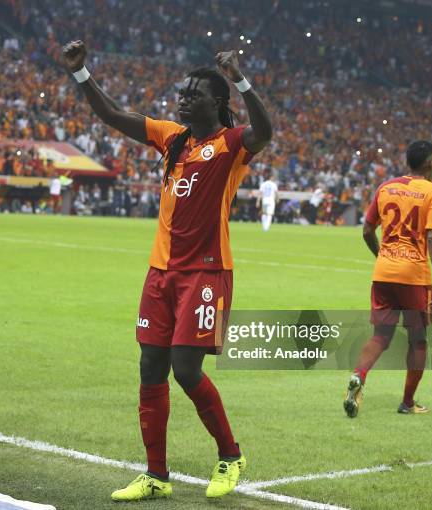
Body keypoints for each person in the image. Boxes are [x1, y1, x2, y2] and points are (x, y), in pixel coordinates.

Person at [63, 40, 271, 500]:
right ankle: (156, 475)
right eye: (181, 91)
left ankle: (231, 455)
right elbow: (114, 115)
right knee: (150, 366)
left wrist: (241, 79)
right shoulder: (171, 137)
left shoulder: (232, 145)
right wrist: (81, 73)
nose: (182, 97)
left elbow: (265, 129)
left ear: (216, 101)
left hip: (206, 273)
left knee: (185, 369)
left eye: (193, 93)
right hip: (161, 273)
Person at [344, 140, 432, 418]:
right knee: (418, 339)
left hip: (384, 273)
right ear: (427, 163)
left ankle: (359, 375)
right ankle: (407, 402)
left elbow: (366, 230)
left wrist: (383, 257)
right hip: (414, 275)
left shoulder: (385, 187)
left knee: (380, 336)